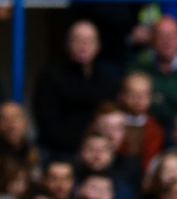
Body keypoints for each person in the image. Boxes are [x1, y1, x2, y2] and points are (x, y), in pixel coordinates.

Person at [33, 21, 121, 157]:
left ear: (98, 46)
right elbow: (48, 124)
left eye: (89, 41)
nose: (83, 46)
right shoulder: (50, 76)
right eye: (78, 40)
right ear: (67, 44)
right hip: (61, 151)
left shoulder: (108, 78)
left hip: (100, 150)